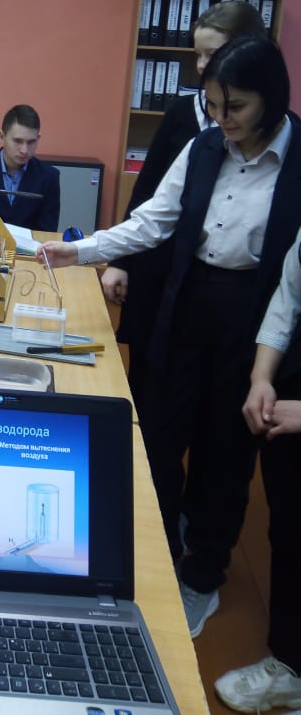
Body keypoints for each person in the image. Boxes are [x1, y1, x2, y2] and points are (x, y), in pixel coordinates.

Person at [38, 35, 301, 640]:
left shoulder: (297, 157)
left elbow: (291, 283)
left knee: (224, 453)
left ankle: (203, 574)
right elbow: (154, 220)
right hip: (187, 303)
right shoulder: (205, 145)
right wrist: (83, 251)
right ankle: (153, 553)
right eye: (213, 105)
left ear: (271, 97)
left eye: (235, 106)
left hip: (254, 316)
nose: (221, 118)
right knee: (158, 433)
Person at [102, 1, 267, 410]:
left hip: (219, 287)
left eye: (213, 53)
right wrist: (120, 260)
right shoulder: (182, 114)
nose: (203, 64)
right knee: (150, 381)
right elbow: (148, 196)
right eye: (198, 54)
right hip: (160, 267)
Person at [214, 228, 301, 713]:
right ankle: (290, 666)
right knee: (289, 533)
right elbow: (288, 298)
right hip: (290, 398)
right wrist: (262, 377)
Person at [0, 104, 60, 232]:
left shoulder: (49, 177)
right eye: (18, 141)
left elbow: (47, 233)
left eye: (31, 142)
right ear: (1, 137)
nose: (24, 150)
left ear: (38, 139)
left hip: (31, 246)